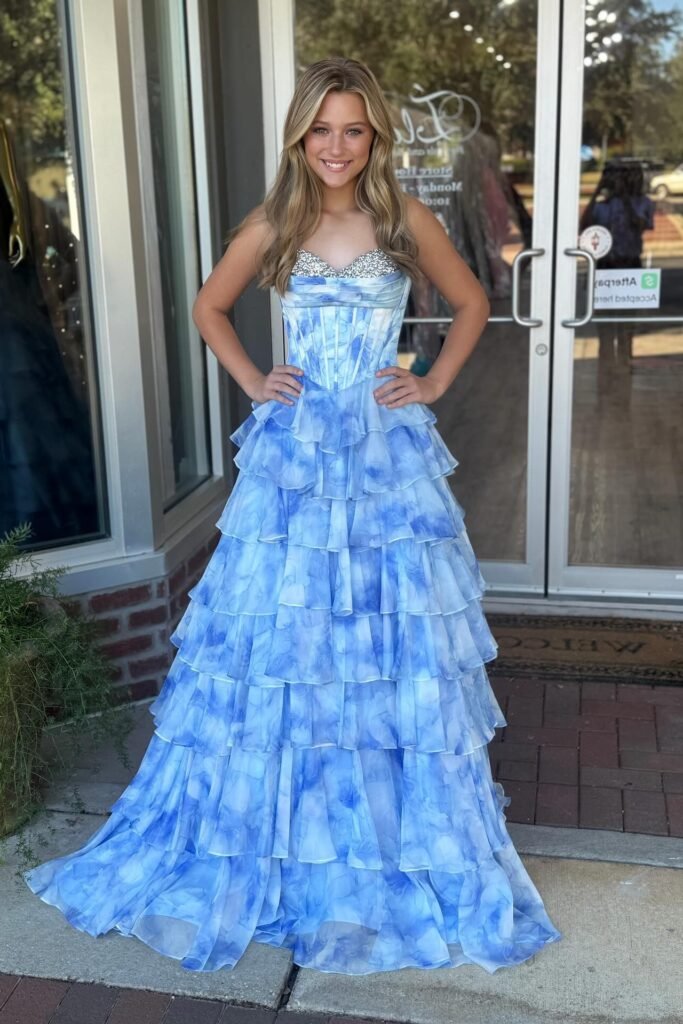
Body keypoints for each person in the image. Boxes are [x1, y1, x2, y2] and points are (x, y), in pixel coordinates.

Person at [24, 57, 562, 975]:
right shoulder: (278, 221)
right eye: (322, 130)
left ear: (374, 136)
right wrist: (253, 381)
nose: (337, 147)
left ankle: (382, 828)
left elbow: (475, 302)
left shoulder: (400, 219)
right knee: (284, 635)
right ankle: (279, 824)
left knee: (385, 636)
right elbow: (208, 305)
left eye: (353, 129)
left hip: (385, 455)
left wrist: (428, 379)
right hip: (298, 452)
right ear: (299, 136)